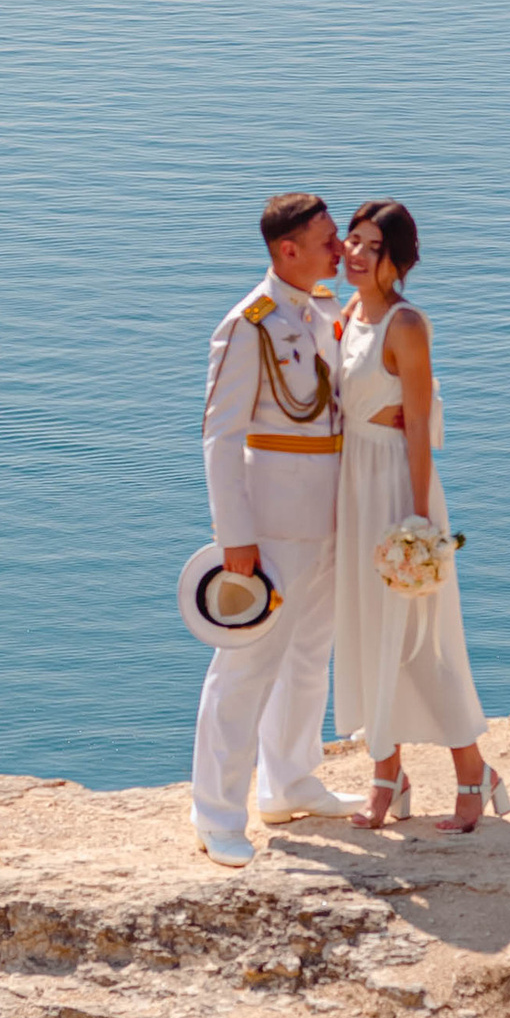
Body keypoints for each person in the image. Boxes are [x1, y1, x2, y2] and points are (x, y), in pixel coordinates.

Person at [190, 192, 359, 865]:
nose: (340, 249)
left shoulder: (326, 311)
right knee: (245, 667)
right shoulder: (248, 324)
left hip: (330, 517)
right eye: (326, 240)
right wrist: (236, 539)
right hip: (272, 520)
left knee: (310, 658)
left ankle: (288, 782)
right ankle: (217, 812)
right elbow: (220, 438)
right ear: (287, 251)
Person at [331, 198, 507, 832]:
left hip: (398, 492)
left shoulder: (406, 325)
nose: (353, 253)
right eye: (351, 240)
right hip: (353, 486)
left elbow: (417, 431)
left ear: (397, 258)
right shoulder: (346, 314)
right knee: (363, 629)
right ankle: (386, 774)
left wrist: (416, 524)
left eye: (370, 246)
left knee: (419, 638)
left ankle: (472, 772)